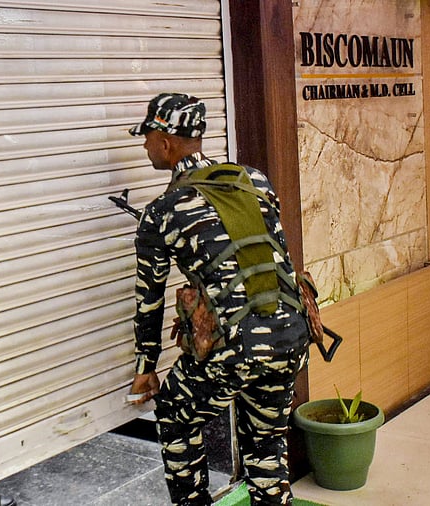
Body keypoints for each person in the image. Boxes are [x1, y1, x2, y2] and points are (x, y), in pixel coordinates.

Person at [126, 93, 310, 506]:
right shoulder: (254, 179)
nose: (145, 146)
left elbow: (149, 301)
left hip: (238, 346)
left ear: (167, 141)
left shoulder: (162, 212)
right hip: (292, 334)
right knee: (264, 442)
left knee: (174, 411)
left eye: (148, 137)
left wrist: (146, 368)